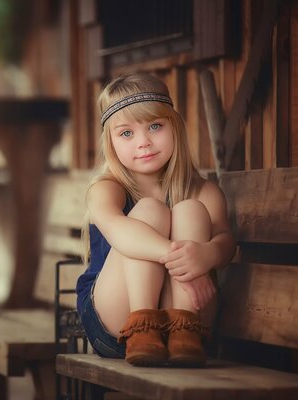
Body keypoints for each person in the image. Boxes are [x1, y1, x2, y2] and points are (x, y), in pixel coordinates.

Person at [76, 73, 236, 367]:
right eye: (126, 133)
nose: (144, 142)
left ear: (174, 126)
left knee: (191, 211)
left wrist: (206, 254)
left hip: (191, 319)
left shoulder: (203, 191)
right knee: (149, 212)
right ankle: (143, 327)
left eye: (155, 126)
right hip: (116, 320)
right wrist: (182, 258)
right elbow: (120, 232)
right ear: (110, 141)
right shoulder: (106, 188)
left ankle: (183, 330)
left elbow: (226, 244)